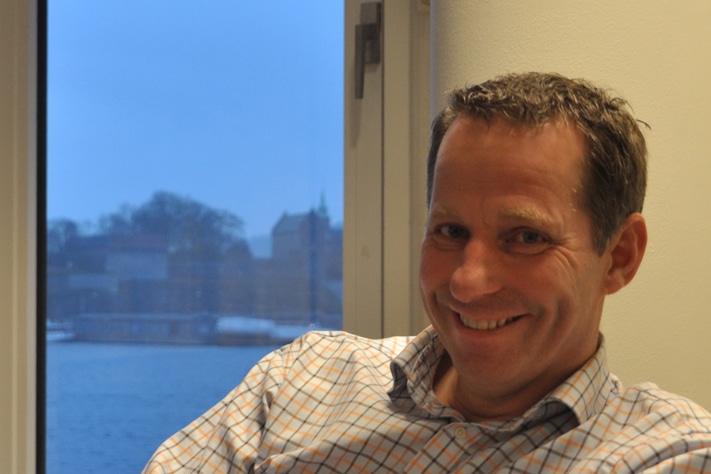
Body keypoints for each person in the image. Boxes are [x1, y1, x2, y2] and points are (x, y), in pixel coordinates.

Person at [143, 72, 711, 473]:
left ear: (620, 255)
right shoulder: (300, 379)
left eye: (526, 238)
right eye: (451, 231)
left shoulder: (668, 454)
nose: (467, 281)